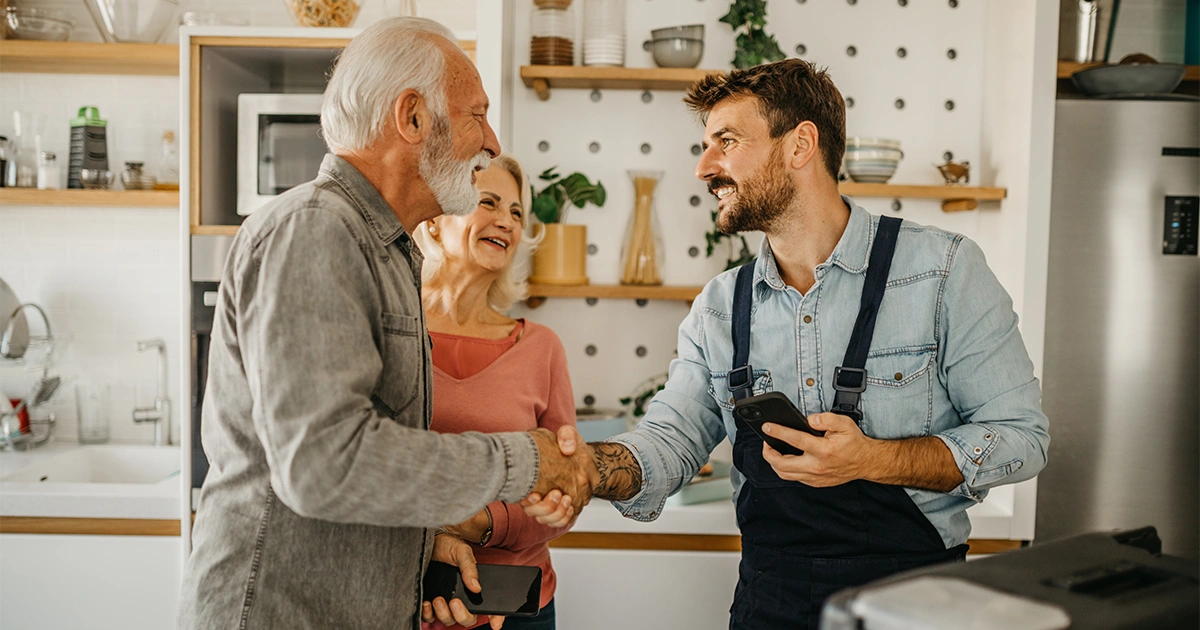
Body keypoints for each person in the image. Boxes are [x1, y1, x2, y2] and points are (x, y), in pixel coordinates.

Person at [534, 59, 1051, 629]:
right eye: (705, 147)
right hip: (770, 607)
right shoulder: (718, 307)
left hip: (915, 608)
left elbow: (1022, 438)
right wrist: (589, 468)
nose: (704, 168)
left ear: (800, 144)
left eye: (727, 142)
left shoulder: (943, 271)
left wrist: (873, 459)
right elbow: (670, 442)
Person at [179, 18, 589, 630]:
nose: (491, 140)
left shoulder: (386, 251)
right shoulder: (316, 230)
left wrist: (422, 548)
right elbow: (322, 462)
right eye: (477, 115)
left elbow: (358, 475)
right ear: (413, 117)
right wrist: (523, 459)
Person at [413, 154, 574, 630]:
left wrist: (483, 522)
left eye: (516, 212)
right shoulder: (394, 331)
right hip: (408, 602)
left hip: (518, 609)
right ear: (435, 221)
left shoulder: (541, 347)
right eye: (488, 202)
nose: (506, 220)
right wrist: (430, 537)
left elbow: (565, 492)